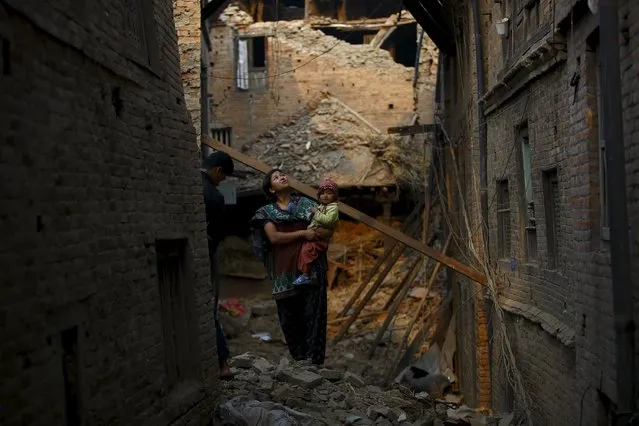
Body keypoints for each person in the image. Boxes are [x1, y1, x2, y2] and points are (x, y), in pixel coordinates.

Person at [250, 169, 332, 365]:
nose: (283, 177)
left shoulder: (307, 204)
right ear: (271, 188)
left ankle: (314, 362)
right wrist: (303, 233)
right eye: (277, 177)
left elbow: (326, 226)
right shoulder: (266, 212)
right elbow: (274, 237)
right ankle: (299, 360)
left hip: (311, 268)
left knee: (314, 315)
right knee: (289, 318)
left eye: (283, 174)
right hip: (283, 273)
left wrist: (319, 227)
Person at [201, 151, 235, 380]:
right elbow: (217, 234)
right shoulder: (213, 195)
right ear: (218, 171)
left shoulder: (188, 183)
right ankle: (222, 362)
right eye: (222, 178)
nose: (221, 182)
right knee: (208, 309)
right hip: (203, 258)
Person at [294, 178, 340, 285]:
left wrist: (316, 213)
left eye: (329, 193)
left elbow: (328, 221)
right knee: (305, 252)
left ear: (334, 196)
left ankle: (306, 275)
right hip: (315, 235)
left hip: (319, 238)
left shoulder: (333, 208)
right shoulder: (323, 206)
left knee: (307, 252)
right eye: (322, 193)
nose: (325, 196)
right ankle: (309, 273)